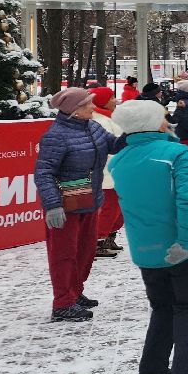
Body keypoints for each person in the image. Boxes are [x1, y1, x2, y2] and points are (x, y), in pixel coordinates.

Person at [108, 99, 188, 374]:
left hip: (146, 248)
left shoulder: (119, 161)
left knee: (162, 308)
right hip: (185, 244)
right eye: (163, 118)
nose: (168, 122)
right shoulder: (176, 154)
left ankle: (152, 371)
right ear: (154, 123)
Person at [33, 87, 119, 322]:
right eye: (87, 104)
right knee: (64, 254)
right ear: (74, 110)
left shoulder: (93, 127)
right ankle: (62, 303)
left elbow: (113, 145)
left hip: (89, 200)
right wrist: (53, 205)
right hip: (65, 206)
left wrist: (140, 133)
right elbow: (44, 173)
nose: (93, 107)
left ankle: (75, 292)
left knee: (85, 251)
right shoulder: (56, 136)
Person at [88, 87, 126, 259]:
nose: (115, 100)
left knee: (119, 209)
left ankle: (108, 236)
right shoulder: (100, 121)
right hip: (108, 171)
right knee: (110, 208)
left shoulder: (109, 117)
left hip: (117, 170)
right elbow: (108, 148)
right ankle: (98, 241)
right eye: (111, 98)